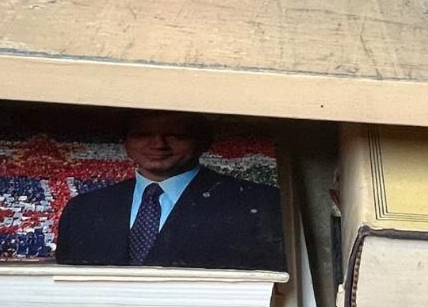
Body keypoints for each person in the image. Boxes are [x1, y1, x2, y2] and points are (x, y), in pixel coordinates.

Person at [54, 111, 285, 271]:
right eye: (143, 134)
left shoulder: (258, 203)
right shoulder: (84, 209)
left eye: (176, 135)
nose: (158, 144)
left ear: (203, 142)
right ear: (126, 141)